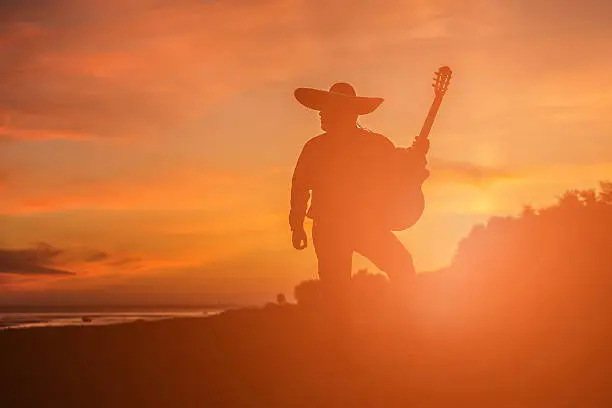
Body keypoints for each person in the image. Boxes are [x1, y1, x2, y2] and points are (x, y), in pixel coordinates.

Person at [289, 82, 430, 299]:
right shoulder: (317, 147)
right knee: (337, 293)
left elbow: (400, 171)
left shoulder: (372, 145)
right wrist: (296, 225)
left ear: (344, 113)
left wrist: (416, 156)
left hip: (361, 224)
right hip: (334, 227)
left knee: (401, 265)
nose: (321, 114)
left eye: (327, 109)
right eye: (322, 109)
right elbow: (300, 187)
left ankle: (405, 321)